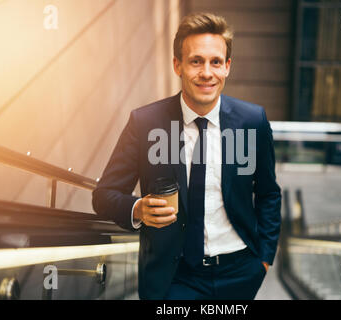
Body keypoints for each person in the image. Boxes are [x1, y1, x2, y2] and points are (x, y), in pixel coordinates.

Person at [92, 12, 282, 300]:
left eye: (215, 62)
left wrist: (264, 259)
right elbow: (104, 195)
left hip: (240, 272)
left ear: (227, 67)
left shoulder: (253, 121)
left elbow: (268, 193)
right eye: (196, 61)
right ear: (177, 65)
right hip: (174, 277)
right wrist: (137, 209)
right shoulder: (146, 123)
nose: (207, 72)